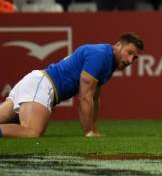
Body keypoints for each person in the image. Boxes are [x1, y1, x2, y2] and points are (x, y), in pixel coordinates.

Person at [0, 33, 144, 138]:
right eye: (129, 53)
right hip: (41, 85)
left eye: (135, 57)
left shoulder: (108, 62)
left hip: (36, 82)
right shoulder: (100, 55)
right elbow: (84, 97)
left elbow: (94, 98)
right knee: (32, 132)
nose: (131, 60)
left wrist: (94, 129)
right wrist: (88, 132)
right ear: (118, 45)